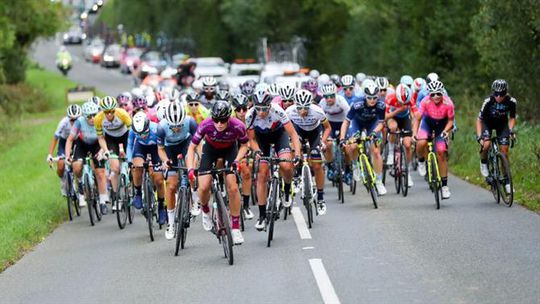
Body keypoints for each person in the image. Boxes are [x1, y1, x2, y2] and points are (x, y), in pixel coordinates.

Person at [186, 100, 249, 244]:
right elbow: (191, 148)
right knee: (203, 187)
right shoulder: (206, 125)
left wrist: (237, 161)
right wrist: (190, 168)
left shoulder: (238, 126)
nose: (219, 124)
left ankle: (235, 227)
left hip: (229, 151)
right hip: (210, 150)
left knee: (232, 187)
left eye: (223, 120)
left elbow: (244, 146)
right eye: (216, 120)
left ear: (229, 118)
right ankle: (206, 211)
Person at [245, 89, 301, 230]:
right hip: (261, 139)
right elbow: (251, 139)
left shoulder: (278, 111)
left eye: (264, 109)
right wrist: (257, 150)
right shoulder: (250, 115)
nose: (261, 112)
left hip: (279, 136)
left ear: (270, 106)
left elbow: (293, 134)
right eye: (258, 108)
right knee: (262, 174)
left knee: (286, 166)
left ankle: (287, 190)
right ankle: (262, 215)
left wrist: (298, 154)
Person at [286, 89, 331, 214]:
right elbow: (283, 128)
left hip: (314, 133)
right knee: (295, 149)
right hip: (298, 131)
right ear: (295, 105)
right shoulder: (289, 111)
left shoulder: (317, 111)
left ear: (310, 105)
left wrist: (323, 140)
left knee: (317, 165)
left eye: (305, 108)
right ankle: (296, 176)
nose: (302, 111)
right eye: (299, 108)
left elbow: (328, 128)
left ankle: (321, 198)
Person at [157, 101, 198, 240]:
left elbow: (198, 144)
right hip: (169, 148)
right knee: (171, 185)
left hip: (186, 144)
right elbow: (160, 149)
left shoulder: (190, 122)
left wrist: (200, 158)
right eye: (173, 127)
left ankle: (195, 199)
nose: (176, 129)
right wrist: (165, 161)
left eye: (179, 126)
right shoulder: (161, 127)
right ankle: (171, 223)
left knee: (190, 167)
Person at [340, 82, 387, 195]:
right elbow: (346, 122)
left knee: (376, 151)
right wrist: (342, 138)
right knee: (352, 146)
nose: (372, 100)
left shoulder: (381, 105)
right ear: (365, 96)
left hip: (373, 124)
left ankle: (379, 182)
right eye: (369, 98)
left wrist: (375, 132)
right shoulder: (357, 103)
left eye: (374, 97)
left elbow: (381, 123)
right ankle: (355, 165)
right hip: (357, 123)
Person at [64, 101, 109, 214]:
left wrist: (103, 151)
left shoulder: (100, 120)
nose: (92, 118)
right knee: (77, 166)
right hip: (82, 144)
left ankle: (103, 201)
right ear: (84, 116)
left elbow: (105, 139)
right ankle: (80, 182)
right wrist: (68, 155)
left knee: (100, 173)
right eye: (89, 116)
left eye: (94, 115)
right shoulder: (79, 122)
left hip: (97, 144)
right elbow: (70, 139)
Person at [413, 80, 455, 199]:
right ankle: (421, 161)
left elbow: (451, 120)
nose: (436, 96)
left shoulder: (449, 103)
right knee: (421, 142)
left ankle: (445, 186)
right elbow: (418, 118)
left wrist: (446, 131)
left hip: (441, 126)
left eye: (438, 94)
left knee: (441, 153)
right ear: (429, 94)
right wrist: (415, 133)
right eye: (433, 94)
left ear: (442, 93)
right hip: (427, 123)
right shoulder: (425, 101)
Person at [477, 79, 516, 194]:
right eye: (496, 94)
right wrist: (480, 136)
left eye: (502, 94)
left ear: (506, 92)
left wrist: (511, 130)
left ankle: (507, 182)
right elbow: (479, 120)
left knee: (504, 151)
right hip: (487, 124)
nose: (499, 97)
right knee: (487, 144)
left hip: (502, 125)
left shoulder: (511, 102)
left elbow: (512, 118)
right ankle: (484, 162)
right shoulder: (488, 101)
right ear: (493, 92)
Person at [127, 111, 166, 224]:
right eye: (139, 134)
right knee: (137, 167)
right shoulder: (132, 131)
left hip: (156, 149)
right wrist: (130, 162)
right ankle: (138, 192)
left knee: (158, 180)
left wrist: (164, 161)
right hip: (141, 148)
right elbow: (129, 146)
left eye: (145, 133)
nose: (143, 136)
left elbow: (164, 146)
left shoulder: (157, 129)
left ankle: (161, 206)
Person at [95, 96, 132, 209]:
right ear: (103, 111)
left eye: (112, 111)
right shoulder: (98, 118)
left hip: (126, 137)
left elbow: (132, 134)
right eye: (107, 112)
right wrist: (105, 151)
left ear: (115, 109)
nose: (110, 114)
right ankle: (117, 197)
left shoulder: (122, 114)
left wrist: (128, 151)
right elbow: (101, 138)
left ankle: (131, 184)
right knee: (115, 168)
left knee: (131, 162)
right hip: (111, 139)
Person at [384, 84, 418, 187]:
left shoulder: (410, 99)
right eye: (400, 102)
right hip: (392, 117)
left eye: (405, 103)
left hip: (404, 119)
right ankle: (390, 152)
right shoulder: (390, 98)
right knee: (393, 127)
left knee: (407, 145)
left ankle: (407, 172)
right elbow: (385, 117)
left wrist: (414, 131)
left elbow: (416, 116)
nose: (402, 104)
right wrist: (398, 110)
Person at [47, 104, 82, 197]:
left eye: (76, 119)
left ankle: (80, 183)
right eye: (72, 119)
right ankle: (63, 180)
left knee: (78, 163)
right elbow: (55, 138)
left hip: (77, 141)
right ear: (68, 117)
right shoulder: (63, 122)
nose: (74, 122)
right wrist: (50, 154)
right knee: (61, 165)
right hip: (64, 141)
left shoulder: (82, 121)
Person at [319, 82, 350, 181]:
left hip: (343, 123)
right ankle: (330, 166)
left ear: (335, 95)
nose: (329, 99)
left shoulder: (341, 101)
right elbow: (319, 120)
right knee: (328, 145)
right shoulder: (322, 104)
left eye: (332, 96)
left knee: (346, 146)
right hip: (330, 124)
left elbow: (350, 117)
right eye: (326, 97)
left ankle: (348, 169)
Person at [232, 94, 254, 219]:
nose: (241, 112)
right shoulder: (229, 119)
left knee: (246, 172)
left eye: (244, 109)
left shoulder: (251, 118)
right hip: (231, 146)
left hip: (245, 146)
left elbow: (252, 138)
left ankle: (246, 206)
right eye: (238, 109)